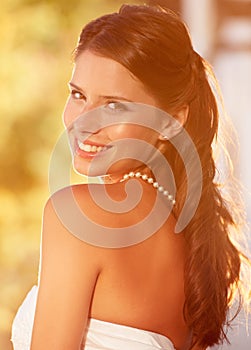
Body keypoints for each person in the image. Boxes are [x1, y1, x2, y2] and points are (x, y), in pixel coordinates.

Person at [11, 3, 251, 350]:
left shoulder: (79, 215)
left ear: (171, 121)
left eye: (113, 106)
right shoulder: (195, 242)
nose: (83, 122)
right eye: (78, 95)